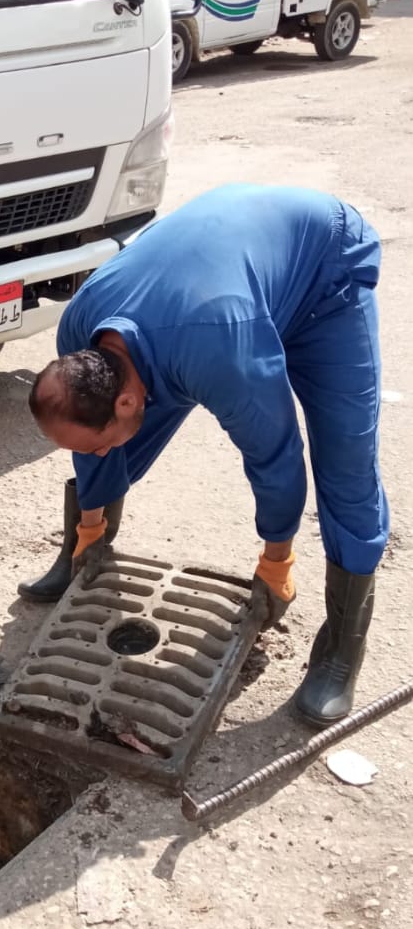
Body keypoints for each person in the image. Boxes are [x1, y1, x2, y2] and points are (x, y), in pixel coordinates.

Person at [20, 183, 387, 728]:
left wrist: (276, 563)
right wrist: (89, 527)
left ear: (127, 397)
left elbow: (277, 458)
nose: (93, 454)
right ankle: (85, 547)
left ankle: (339, 654)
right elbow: (94, 439)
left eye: (96, 442)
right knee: (106, 440)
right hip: (204, 298)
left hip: (323, 276)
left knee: (345, 463)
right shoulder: (82, 328)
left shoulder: (222, 358)